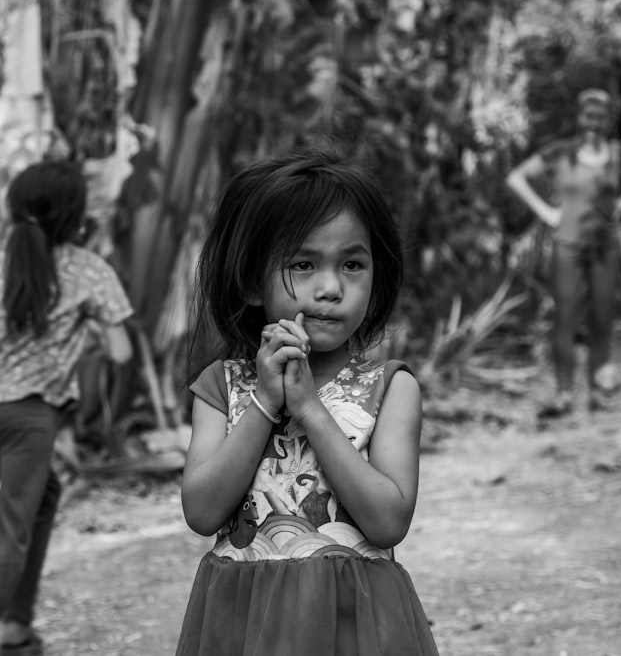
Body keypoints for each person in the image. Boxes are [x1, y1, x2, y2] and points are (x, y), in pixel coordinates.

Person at [175, 147, 439, 655]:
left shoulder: (390, 387)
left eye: (353, 264)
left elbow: (388, 522)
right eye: (303, 263)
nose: (331, 287)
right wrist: (264, 403)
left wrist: (311, 411)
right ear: (252, 282)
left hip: (354, 624)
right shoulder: (222, 386)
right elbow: (203, 512)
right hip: (245, 622)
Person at [0, 160, 134, 656]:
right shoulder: (88, 269)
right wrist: (82, 346)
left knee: (43, 495)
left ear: (13, 209)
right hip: (29, 417)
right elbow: (122, 352)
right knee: (12, 527)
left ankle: (17, 626)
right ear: (75, 218)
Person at [506, 87, 621, 417]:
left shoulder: (618, 153)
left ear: (608, 120)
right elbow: (517, 178)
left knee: (602, 319)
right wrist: (547, 212)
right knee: (564, 320)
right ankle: (563, 394)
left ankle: (598, 393)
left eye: (600, 118)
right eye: (588, 116)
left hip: (606, 248)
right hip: (568, 247)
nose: (593, 124)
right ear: (578, 117)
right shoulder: (561, 152)